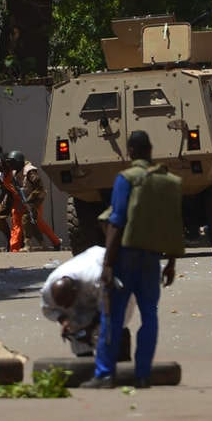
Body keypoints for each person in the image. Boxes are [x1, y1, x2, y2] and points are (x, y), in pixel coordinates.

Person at [80, 130, 185, 389]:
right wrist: (171, 262)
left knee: (112, 316)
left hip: (125, 255)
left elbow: (116, 222)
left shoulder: (126, 178)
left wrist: (107, 263)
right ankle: (143, 375)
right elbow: (174, 224)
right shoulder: (169, 181)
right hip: (152, 258)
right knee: (150, 315)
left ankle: (104, 374)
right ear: (150, 150)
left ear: (131, 151)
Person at [41, 245, 135, 359]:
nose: (66, 307)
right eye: (63, 305)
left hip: (112, 272)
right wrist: (64, 321)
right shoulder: (47, 291)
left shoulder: (96, 278)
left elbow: (108, 307)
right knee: (76, 328)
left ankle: (122, 363)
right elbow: (47, 309)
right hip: (89, 284)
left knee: (115, 324)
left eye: (68, 303)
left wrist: (90, 328)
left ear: (75, 291)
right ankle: (85, 366)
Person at [5, 150, 61, 252]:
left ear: (18, 162)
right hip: (25, 198)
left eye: (12, 162)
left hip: (37, 197)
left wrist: (29, 200)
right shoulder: (14, 172)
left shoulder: (30, 171)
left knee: (27, 218)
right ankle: (44, 244)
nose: (10, 165)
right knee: (33, 221)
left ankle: (28, 245)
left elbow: (39, 188)